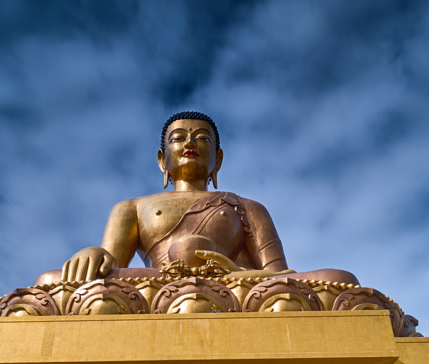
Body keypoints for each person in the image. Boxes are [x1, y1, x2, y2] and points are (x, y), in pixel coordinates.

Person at [39, 111, 358, 286]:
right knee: (51, 283)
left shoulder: (247, 207)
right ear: (163, 160)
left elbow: (280, 277)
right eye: (178, 138)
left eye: (202, 138)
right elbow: (109, 267)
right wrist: (95, 254)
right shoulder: (132, 208)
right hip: (154, 284)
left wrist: (233, 273)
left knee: (339, 281)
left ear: (217, 160)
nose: (189, 143)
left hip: (234, 287)